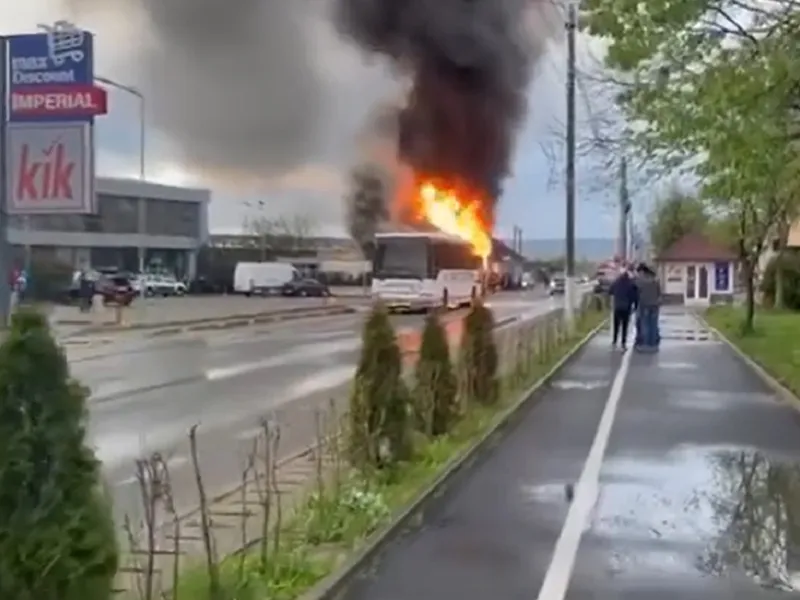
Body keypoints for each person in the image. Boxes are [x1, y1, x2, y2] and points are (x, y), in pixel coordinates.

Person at [608, 266, 638, 350]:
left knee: (616, 325)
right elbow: (634, 296)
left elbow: (610, 291)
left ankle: (614, 341)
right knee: (625, 326)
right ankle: (623, 343)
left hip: (617, 307)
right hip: (626, 307)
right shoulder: (630, 284)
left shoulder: (616, 282)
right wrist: (635, 306)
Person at [634, 263, 661, 352]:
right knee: (653, 325)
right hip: (655, 306)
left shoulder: (641, 281)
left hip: (645, 305)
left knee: (645, 325)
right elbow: (659, 293)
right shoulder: (655, 281)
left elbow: (635, 286)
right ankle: (653, 344)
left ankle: (646, 344)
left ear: (643, 272)